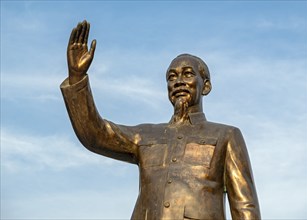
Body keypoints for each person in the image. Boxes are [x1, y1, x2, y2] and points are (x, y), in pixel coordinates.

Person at [60, 20, 261, 220]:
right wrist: (77, 78)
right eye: (172, 77)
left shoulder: (225, 135)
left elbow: (245, 206)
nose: (179, 81)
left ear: (206, 86)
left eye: (188, 74)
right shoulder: (144, 136)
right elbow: (95, 135)